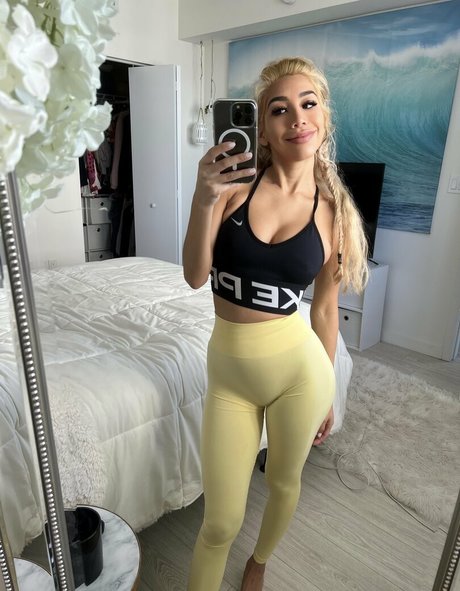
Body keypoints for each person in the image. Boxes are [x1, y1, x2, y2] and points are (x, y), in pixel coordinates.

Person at [182, 56, 368, 591]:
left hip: (299, 375)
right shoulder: (234, 187)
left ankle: (260, 561)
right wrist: (203, 198)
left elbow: (324, 310)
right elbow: (195, 276)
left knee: (284, 482)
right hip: (229, 380)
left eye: (309, 104)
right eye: (279, 109)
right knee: (220, 522)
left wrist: (329, 390)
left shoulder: (334, 213)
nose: (297, 117)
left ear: (324, 118)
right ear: (262, 128)